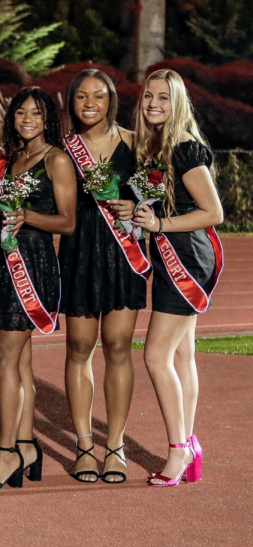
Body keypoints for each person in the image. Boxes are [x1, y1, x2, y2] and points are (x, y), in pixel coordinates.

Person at [0, 87, 76, 490]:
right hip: (7, 261)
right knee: (22, 364)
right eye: (20, 113)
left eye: (36, 112)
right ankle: (28, 446)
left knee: (3, 359)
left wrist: (27, 214)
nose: (27, 118)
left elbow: (67, 222)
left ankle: (5, 453)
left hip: (33, 265)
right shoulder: (13, 161)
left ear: (48, 117)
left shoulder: (57, 160)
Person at [131, 69, 223, 487]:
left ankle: (178, 450)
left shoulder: (185, 148)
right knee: (182, 355)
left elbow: (213, 213)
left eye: (164, 98)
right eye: (149, 96)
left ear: (178, 103)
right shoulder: (156, 146)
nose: (154, 103)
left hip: (186, 259)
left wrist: (160, 225)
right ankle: (189, 443)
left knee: (155, 356)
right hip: (175, 257)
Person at [58, 69, 146, 484]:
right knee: (78, 345)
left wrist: (139, 209)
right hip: (78, 251)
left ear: (111, 99)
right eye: (81, 97)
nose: (89, 103)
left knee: (117, 346)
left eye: (98, 95)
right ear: (71, 102)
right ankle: (83, 445)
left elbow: (158, 192)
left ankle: (116, 445)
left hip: (122, 254)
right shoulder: (62, 149)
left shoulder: (136, 142)